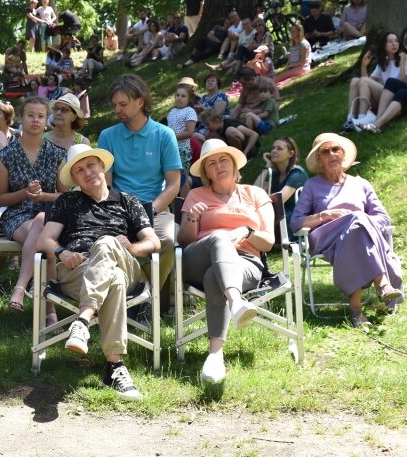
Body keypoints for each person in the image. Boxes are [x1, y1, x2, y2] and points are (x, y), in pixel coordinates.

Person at [36, 144, 161, 400]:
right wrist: (62, 253)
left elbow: (153, 242)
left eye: (91, 165)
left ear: (102, 166)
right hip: (78, 271)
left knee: (106, 243)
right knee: (112, 278)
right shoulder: (67, 201)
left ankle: (82, 321)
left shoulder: (128, 201)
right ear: (75, 178)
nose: (87, 172)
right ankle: (115, 367)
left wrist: (132, 247)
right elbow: (44, 240)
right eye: (79, 170)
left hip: (126, 266)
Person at [177, 139, 275, 383]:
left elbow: (269, 242)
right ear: (206, 172)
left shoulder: (255, 194)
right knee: (218, 237)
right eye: (211, 163)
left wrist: (248, 231)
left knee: (215, 276)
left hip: (245, 262)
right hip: (198, 258)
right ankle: (236, 303)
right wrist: (192, 218)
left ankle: (215, 355)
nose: (218, 165)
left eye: (223, 160)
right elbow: (185, 241)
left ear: (234, 166)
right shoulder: (196, 195)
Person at [291, 133, 403, 327]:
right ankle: (382, 283)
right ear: (319, 159)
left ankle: (356, 310)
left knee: (357, 224)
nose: (332, 154)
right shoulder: (311, 185)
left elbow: (384, 218)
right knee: (357, 219)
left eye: (336, 149)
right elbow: (296, 223)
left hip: (357, 237)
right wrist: (325, 215)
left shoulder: (361, 184)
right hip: (326, 238)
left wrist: (359, 221)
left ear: (344, 155)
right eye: (326, 151)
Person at [98, 74, 181, 302]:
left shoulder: (164, 135)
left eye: (123, 104)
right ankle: (129, 296)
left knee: (167, 239)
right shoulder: (108, 136)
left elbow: (174, 184)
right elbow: (106, 184)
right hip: (118, 208)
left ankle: (142, 298)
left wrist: (149, 210)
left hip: (155, 208)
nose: (117, 110)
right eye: (115, 105)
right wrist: (118, 211)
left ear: (140, 102)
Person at [0, 97, 67, 313]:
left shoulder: (56, 154)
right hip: (18, 216)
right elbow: (0, 198)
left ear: (46, 120)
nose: (35, 120)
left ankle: (20, 288)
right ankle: (50, 312)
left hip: (51, 215)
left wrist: (43, 195)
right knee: (44, 237)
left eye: (41, 116)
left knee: (43, 224)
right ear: (20, 119)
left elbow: (65, 196)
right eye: (30, 115)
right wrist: (24, 193)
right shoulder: (6, 155)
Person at [344, 32, 405, 132]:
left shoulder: (404, 59)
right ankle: (350, 118)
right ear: (384, 45)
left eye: (396, 41)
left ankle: (362, 117)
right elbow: (364, 83)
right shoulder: (383, 62)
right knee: (355, 80)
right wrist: (364, 66)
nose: (394, 44)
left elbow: (403, 84)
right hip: (385, 96)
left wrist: (402, 64)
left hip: (397, 96)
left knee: (368, 81)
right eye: (390, 42)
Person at [253, 136, 307, 241]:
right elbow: (254, 192)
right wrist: (267, 167)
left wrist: (260, 203)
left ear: (291, 154)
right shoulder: (274, 174)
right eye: (273, 148)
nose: (274, 151)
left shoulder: (297, 173)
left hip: (293, 218)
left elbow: (279, 200)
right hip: (278, 217)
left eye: (279, 148)